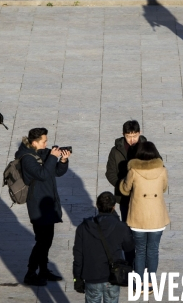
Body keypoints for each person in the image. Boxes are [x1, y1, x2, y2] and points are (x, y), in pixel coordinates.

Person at [15, 128, 70, 286]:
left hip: (48, 202)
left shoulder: (43, 153)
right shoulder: (27, 159)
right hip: (38, 205)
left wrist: (63, 161)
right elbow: (43, 174)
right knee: (42, 241)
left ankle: (43, 270)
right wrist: (52, 157)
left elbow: (56, 172)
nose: (46, 144)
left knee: (47, 240)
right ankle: (30, 273)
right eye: (43, 141)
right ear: (34, 143)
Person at [120, 142, 169, 294]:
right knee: (153, 250)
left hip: (138, 218)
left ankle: (138, 284)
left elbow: (125, 189)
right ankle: (150, 284)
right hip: (157, 217)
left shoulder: (133, 171)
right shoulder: (162, 170)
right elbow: (164, 188)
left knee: (140, 251)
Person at [73, 191, 134, 303]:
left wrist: (77, 278)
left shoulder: (83, 228)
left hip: (92, 276)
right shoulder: (121, 227)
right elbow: (129, 247)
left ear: (97, 205)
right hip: (113, 276)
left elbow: (78, 256)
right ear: (113, 207)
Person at [105, 120, 146, 222]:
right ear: (123, 135)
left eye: (135, 136)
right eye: (129, 136)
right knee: (126, 225)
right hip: (124, 197)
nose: (132, 140)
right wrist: (122, 186)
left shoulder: (147, 148)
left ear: (140, 133)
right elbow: (110, 172)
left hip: (145, 195)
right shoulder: (115, 151)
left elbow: (159, 166)